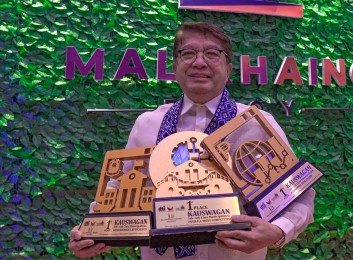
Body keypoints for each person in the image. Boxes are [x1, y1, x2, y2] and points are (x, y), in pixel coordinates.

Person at [69, 22, 315, 259]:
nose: (199, 62)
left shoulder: (257, 124)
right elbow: (118, 188)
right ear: (174, 66)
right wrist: (91, 229)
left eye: (212, 53)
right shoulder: (147, 124)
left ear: (228, 68)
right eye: (188, 53)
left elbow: (298, 195)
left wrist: (278, 230)